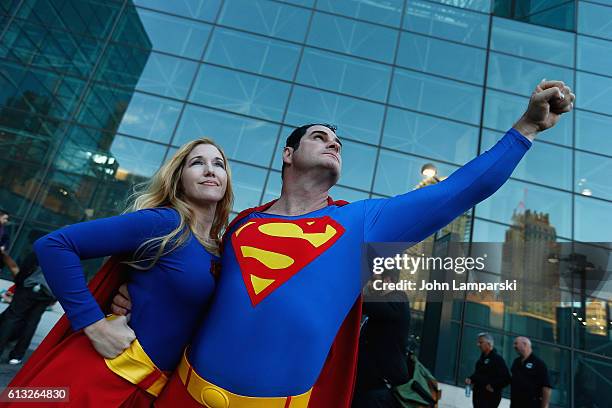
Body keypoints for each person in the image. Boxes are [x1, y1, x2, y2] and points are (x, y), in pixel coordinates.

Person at [115, 80, 575, 407]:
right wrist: (135, 299)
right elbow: (196, 288)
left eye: (338, 141)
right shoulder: (239, 228)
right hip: (181, 395)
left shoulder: (362, 222)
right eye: (320, 137)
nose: (333, 143)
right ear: (288, 154)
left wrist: (525, 129)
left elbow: (459, 190)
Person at [6, 138, 233, 407]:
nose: (210, 170)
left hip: (148, 393)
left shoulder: (222, 250)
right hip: (97, 376)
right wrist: (95, 325)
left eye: (218, 164)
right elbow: (55, 245)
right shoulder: (165, 223)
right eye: (197, 162)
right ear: (178, 179)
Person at [352, 269, 411, 408]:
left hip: (379, 387)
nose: (371, 284)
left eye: (373, 280)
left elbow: (367, 304)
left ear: (387, 281)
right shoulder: (387, 304)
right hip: (371, 384)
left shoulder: (398, 299)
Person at [0, 253, 54, 365]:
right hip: (47, 292)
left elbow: (25, 267)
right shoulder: (70, 255)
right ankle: (17, 356)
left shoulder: (43, 246)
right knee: (32, 323)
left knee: (12, 317)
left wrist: (20, 283)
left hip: (29, 286)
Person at [465, 332, 511, 408]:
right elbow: (479, 375)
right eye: (478, 342)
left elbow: (507, 378)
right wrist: (470, 379)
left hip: (489, 399)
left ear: (489, 344)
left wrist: (493, 385)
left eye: (481, 342)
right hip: (478, 397)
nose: (478, 345)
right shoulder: (481, 360)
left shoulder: (497, 359)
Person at [510, 336, 552, 408]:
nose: (514, 346)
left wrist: (544, 406)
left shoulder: (539, 364)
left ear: (525, 344)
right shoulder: (516, 362)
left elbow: (546, 388)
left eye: (516, 343)